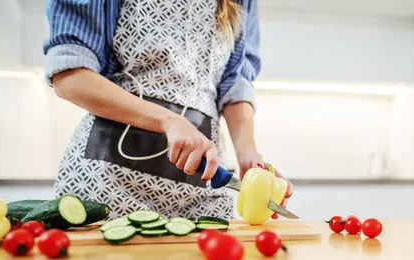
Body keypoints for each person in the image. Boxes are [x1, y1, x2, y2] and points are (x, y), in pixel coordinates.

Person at [43, 0, 292, 220]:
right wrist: (168, 121)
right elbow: (69, 76)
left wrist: (248, 153)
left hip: (201, 189)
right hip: (105, 182)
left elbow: (235, 83)